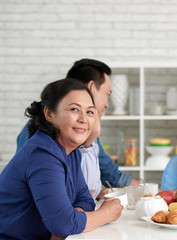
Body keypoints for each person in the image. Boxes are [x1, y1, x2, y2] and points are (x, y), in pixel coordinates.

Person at [0, 79, 123, 239]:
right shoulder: (42, 154)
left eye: (90, 112)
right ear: (49, 113)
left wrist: (72, 218)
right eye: (74, 109)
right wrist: (104, 214)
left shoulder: (71, 152)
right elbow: (63, 224)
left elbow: (85, 199)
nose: (83, 119)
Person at [16, 58, 140, 199]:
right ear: (91, 87)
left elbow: (105, 172)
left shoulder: (83, 131)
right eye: (107, 95)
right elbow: (37, 188)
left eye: (88, 112)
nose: (107, 105)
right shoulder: (40, 133)